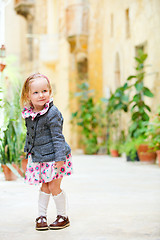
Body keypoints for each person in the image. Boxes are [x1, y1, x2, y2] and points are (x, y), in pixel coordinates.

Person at [20, 73, 73, 231]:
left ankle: (63, 216)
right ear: (28, 95)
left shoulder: (52, 113)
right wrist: (27, 153)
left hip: (56, 156)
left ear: (50, 91)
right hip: (41, 157)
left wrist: (60, 159)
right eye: (36, 92)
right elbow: (31, 135)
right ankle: (41, 216)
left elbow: (57, 137)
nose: (41, 95)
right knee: (44, 186)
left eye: (44, 91)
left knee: (54, 187)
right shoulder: (29, 114)